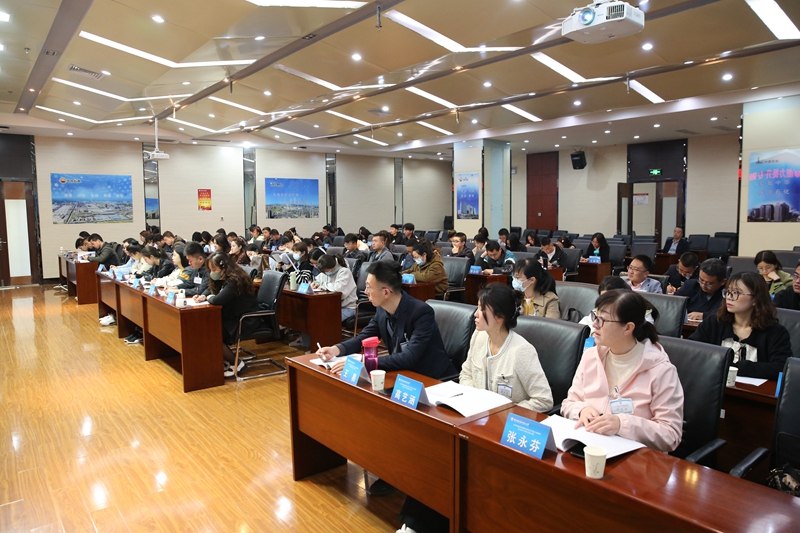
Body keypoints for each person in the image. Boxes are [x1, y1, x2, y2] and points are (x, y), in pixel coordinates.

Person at [561, 290, 684, 453]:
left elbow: (670, 435)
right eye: (595, 316)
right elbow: (568, 403)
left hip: (636, 458)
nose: (595, 324)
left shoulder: (661, 371)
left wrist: (622, 424)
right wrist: (581, 410)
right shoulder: (591, 356)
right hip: (588, 447)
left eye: (603, 320)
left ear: (628, 328)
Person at [316, 260, 456, 378]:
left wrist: (365, 362)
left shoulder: (421, 312)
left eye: (369, 287)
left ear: (386, 292)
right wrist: (336, 349)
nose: (365, 292)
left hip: (432, 378)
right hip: (402, 373)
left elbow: (409, 357)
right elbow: (364, 337)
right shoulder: (382, 309)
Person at [459, 283, 553, 412]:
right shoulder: (478, 336)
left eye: (482, 309)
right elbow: (466, 374)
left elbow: (544, 400)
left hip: (507, 419)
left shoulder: (521, 351)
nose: (475, 314)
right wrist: (476, 399)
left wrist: (504, 413)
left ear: (499, 316)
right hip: (477, 413)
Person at [690, 272, 792, 380]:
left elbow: (781, 367)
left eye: (736, 293)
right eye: (728, 292)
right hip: (713, 384)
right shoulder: (714, 322)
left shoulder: (776, 332)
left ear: (755, 299)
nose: (729, 297)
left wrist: (738, 367)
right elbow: (691, 351)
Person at [194, 252, 260, 378]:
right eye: (210, 269)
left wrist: (209, 297)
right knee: (206, 330)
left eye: (214, 269)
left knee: (211, 335)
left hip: (244, 319)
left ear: (224, 267)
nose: (212, 272)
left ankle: (238, 364)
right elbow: (212, 290)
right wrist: (204, 295)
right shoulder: (223, 277)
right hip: (232, 316)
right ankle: (223, 360)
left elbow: (217, 300)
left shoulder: (235, 280)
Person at [313, 254, 357, 322]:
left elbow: (338, 289)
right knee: (314, 315)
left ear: (332, 268)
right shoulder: (325, 272)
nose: (325, 273)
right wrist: (315, 284)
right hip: (331, 306)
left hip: (347, 308)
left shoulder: (344, 272)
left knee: (326, 319)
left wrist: (322, 285)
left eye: (326, 271)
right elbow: (318, 281)